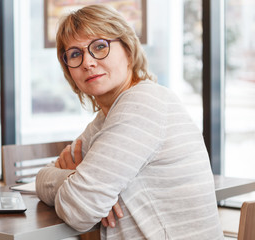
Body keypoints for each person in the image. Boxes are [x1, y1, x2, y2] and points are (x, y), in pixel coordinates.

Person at [36, 4, 224, 240]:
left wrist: (83, 187)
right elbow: (42, 178)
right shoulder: (105, 119)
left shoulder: (143, 103)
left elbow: (79, 209)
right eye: (75, 54)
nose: (87, 62)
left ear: (128, 48)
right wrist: (73, 179)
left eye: (99, 47)